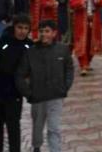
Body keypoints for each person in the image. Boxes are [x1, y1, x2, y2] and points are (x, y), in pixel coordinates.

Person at [16, 20, 74, 152]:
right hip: (38, 96)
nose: (43, 34)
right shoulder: (31, 52)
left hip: (56, 95)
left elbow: (69, 69)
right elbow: (20, 74)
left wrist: (65, 86)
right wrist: (28, 93)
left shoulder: (63, 50)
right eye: (41, 31)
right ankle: (37, 147)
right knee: (38, 126)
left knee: (54, 128)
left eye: (47, 31)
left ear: (54, 33)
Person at [0, 14, 33, 152]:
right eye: (19, 27)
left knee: (14, 129)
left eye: (26, 28)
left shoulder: (30, 46)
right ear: (14, 27)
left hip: (15, 95)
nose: (22, 31)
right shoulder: (1, 44)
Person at [69, 0, 102, 74]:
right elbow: (72, 4)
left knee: (92, 42)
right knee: (82, 42)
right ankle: (83, 64)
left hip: (94, 21)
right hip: (81, 21)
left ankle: (88, 62)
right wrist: (84, 1)